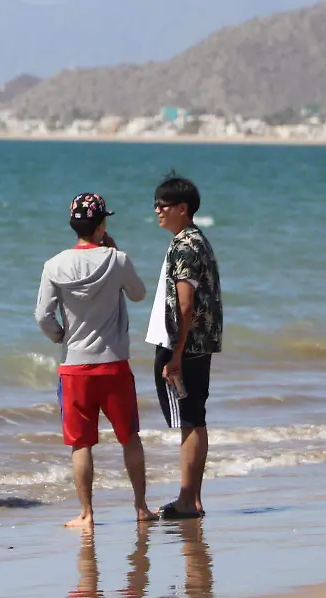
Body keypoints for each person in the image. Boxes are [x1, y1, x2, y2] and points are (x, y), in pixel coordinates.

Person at [36, 193, 154, 528]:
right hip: (114, 362)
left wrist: (63, 338)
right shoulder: (117, 260)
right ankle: (141, 507)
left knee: (81, 443)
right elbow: (139, 293)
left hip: (75, 367)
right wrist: (114, 252)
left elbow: (42, 316)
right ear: (102, 225)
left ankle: (87, 513)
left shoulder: (54, 264)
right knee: (129, 436)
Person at [146, 172, 223, 519]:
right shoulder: (196, 240)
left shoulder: (185, 246)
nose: (157, 211)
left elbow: (186, 304)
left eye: (163, 205)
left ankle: (188, 500)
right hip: (196, 343)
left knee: (189, 420)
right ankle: (190, 498)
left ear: (182, 208)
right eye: (156, 205)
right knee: (194, 418)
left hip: (184, 344)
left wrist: (174, 354)